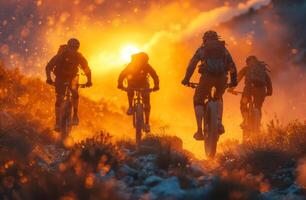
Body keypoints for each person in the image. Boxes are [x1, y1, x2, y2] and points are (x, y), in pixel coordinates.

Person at [181, 30, 237, 140]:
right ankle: (219, 124)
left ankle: (199, 130)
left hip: (206, 78)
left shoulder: (202, 49)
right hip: (221, 78)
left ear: (204, 40)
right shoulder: (223, 49)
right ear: (217, 38)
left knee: (198, 100)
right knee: (218, 97)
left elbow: (192, 64)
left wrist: (186, 79)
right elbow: (232, 65)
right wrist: (233, 81)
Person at [45, 38, 92, 131]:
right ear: (68, 47)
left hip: (72, 77)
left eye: (75, 48)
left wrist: (89, 80)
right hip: (60, 77)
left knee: (75, 94)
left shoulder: (79, 57)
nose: (73, 49)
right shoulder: (60, 56)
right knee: (59, 98)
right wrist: (49, 78)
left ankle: (75, 115)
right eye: (71, 47)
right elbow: (49, 67)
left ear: (77, 48)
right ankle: (58, 122)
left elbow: (86, 69)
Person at [117, 52, 159, 133]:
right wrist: (120, 84)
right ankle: (130, 107)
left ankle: (147, 123)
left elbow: (154, 76)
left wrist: (156, 85)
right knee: (130, 89)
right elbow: (122, 74)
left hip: (144, 84)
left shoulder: (147, 66)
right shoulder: (131, 65)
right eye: (144, 61)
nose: (145, 63)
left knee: (147, 102)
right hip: (132, 83)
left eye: (146, 61)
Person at [230, 56, 272, 129]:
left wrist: (231, 89)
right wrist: (268, 93)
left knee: (243, 104)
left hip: (249, 89)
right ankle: (257, 123)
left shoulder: (246, 69)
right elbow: (269, 82)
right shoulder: (262, 70)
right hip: (261, 90)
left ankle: (245, 119)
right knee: (258, 107)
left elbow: (237, 79)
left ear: (247, 62)